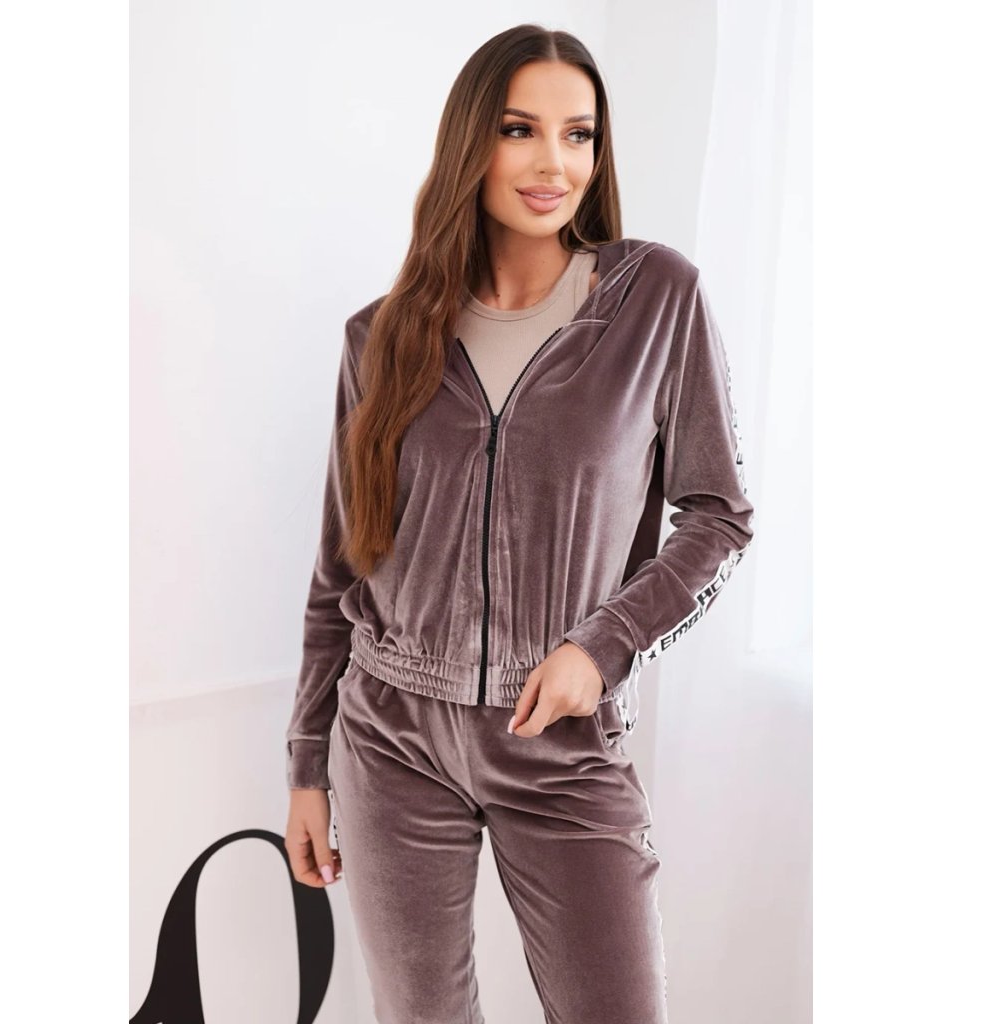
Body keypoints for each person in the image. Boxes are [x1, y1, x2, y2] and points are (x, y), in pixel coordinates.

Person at [284, 23, 755, 1024]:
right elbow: (340, 568)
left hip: (563, 738)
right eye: (519, 129)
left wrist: (603, 645)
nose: (553, 163)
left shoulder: (654, 300)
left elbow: (718, 516)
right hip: (391, 738)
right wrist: (305, 768)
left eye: (578, 134)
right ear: (472, 143)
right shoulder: (381, 337)